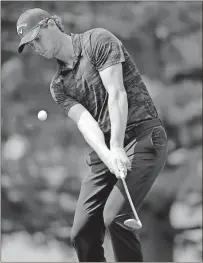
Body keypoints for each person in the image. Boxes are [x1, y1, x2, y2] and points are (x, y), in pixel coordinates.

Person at [16, 8, 168, 262]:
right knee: (82, 232)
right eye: (30, 46)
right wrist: (108, 155)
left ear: (51, 24)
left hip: (143, 137)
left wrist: (118, 146)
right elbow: (86, 124)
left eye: (37, 39)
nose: (37, 48)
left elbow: (116, 94)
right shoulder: (59, 85)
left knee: (116, 218)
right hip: (106, 149)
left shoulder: (97, 40)